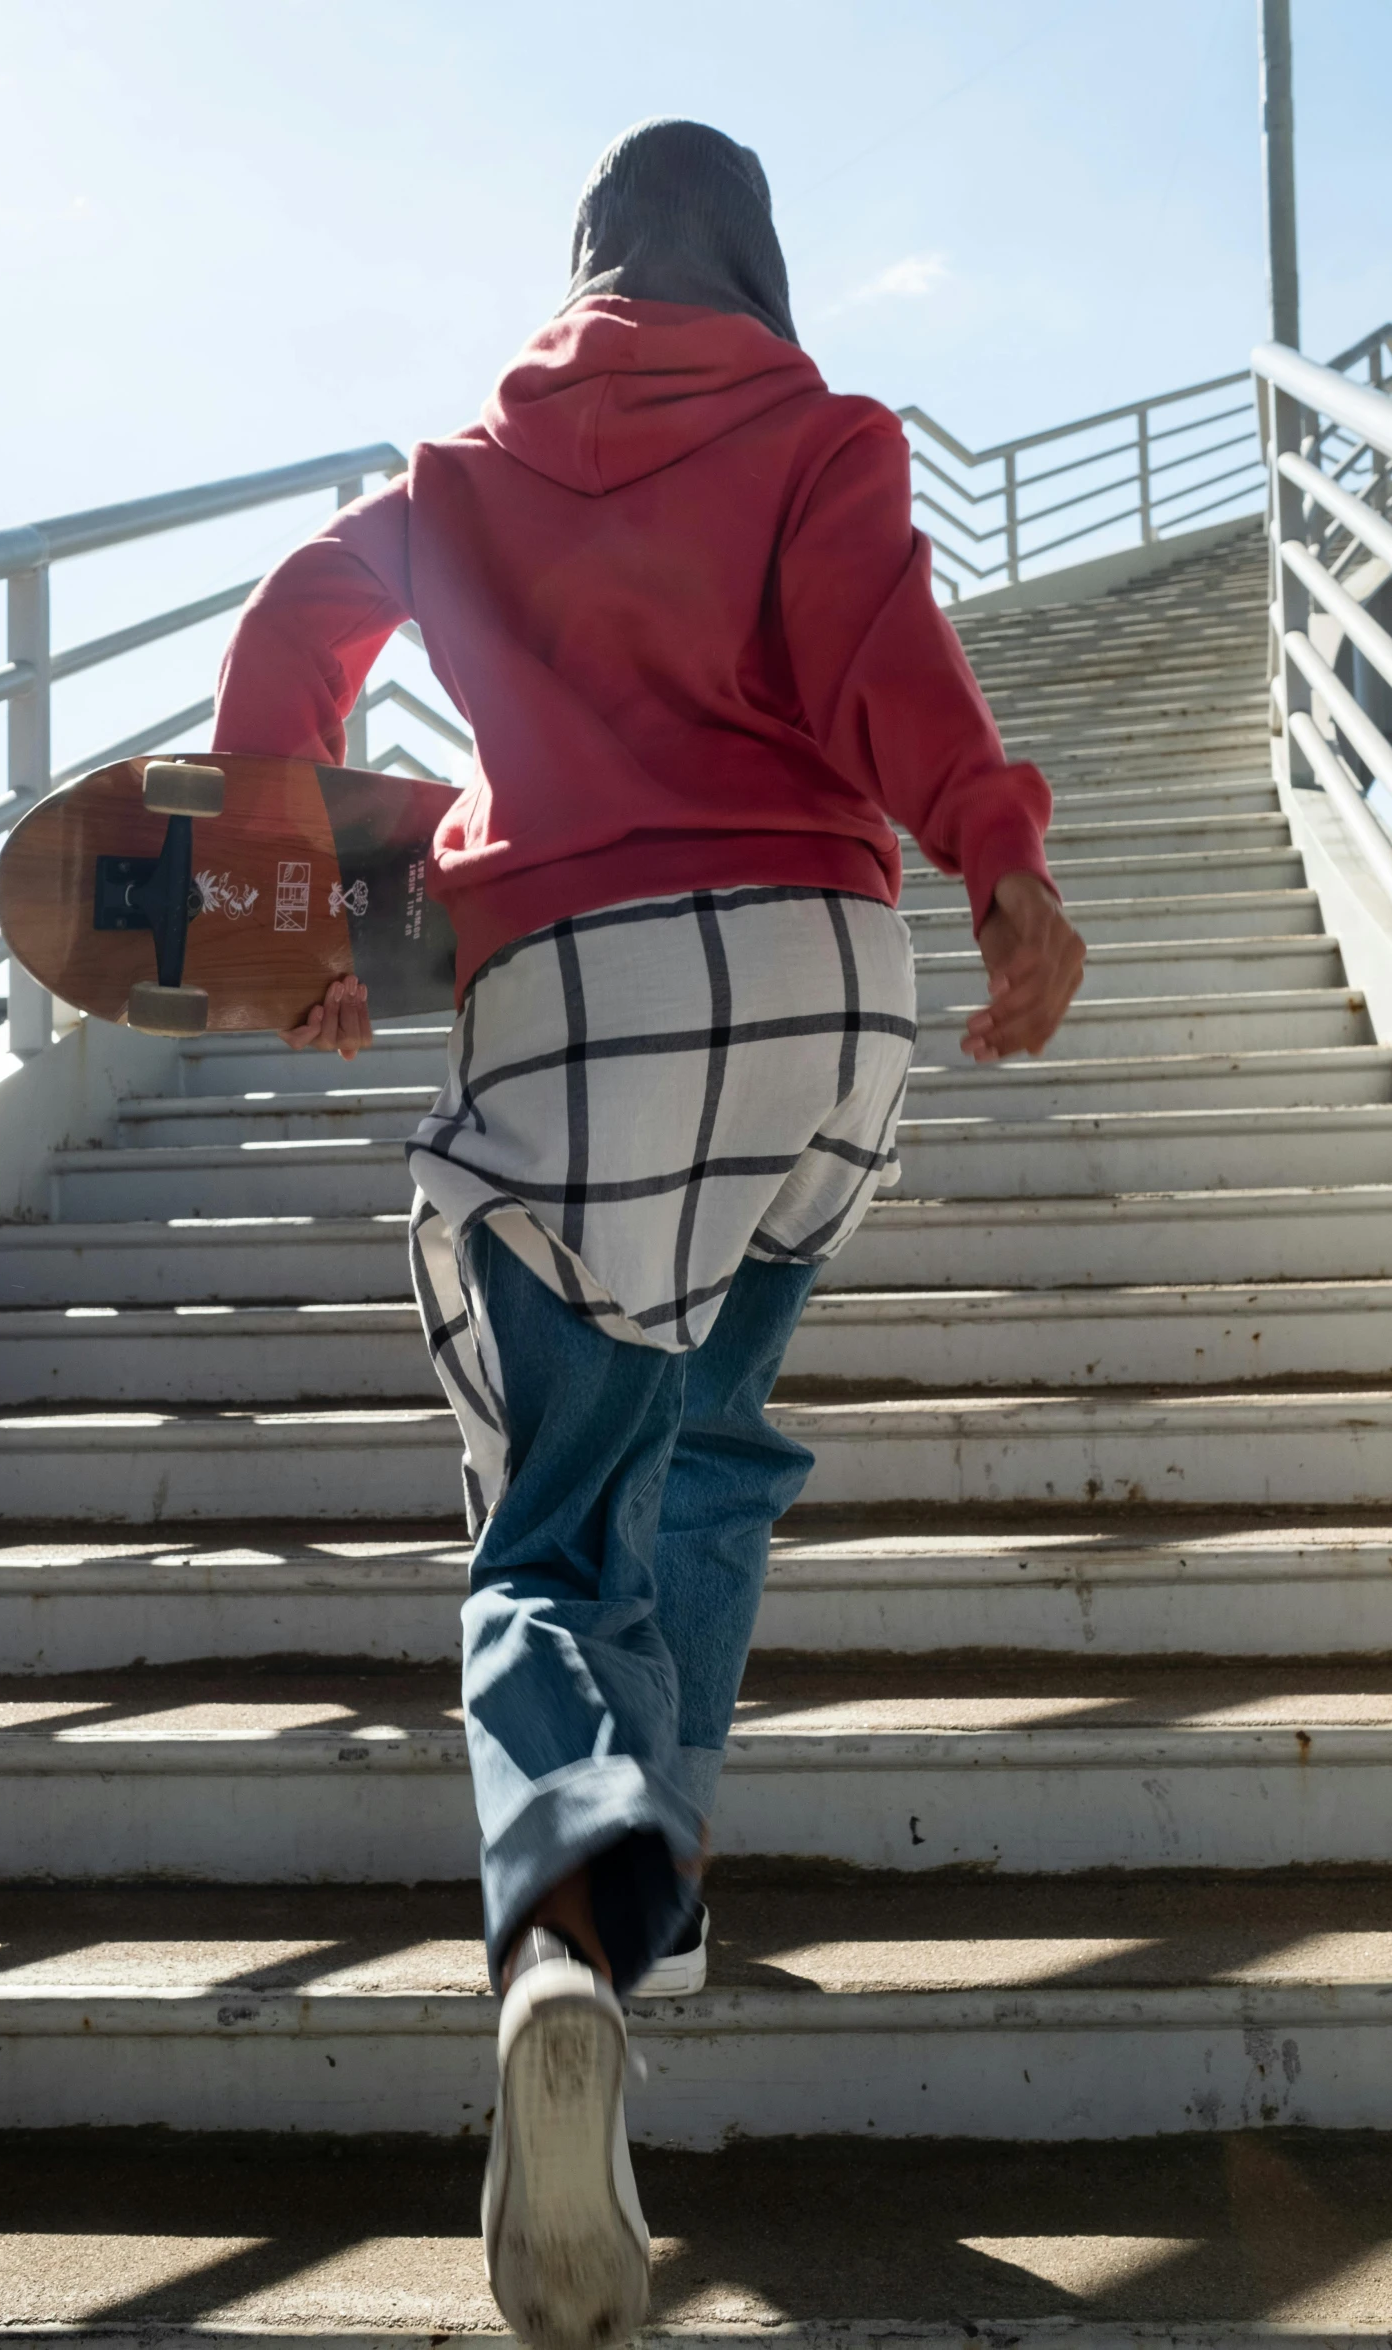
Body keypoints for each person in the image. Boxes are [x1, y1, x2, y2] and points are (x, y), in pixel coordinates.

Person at [211, 116, 1085, 2350]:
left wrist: (285, 904)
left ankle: (575, 1914)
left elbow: (291, 639)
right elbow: (891, 653)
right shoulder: (818, 430)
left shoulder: (458, 468)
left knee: (541, 1528)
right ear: (752, 260)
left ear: (581, 260)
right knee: (710, 1430)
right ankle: (655, 1856)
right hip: (825, 977)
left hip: (582, 984)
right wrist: (996, 857)